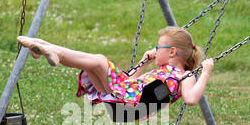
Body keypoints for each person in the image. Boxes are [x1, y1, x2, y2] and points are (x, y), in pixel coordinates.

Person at [17, 25, 215, 113]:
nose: (155, 50)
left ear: (172, 52)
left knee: (99, 61)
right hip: (123, 96)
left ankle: (51, 49)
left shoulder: (183, 76)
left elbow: (190, 99)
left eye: (158, 47)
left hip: (132, 105)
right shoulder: (159, 72)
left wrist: (205, 73)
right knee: (94, 63)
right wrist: (144, 61)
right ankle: (45, 47)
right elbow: (130, 80)